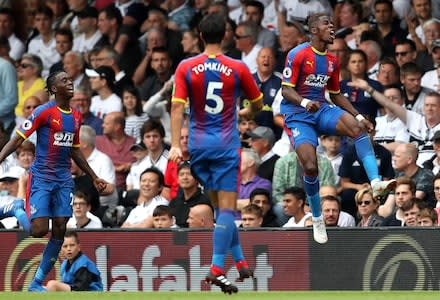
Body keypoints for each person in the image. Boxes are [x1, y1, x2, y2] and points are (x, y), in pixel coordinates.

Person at [0, 71, 109, 292]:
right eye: (63, 81)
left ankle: (35, 283)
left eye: (70, 79)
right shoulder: (43, 112)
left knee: (61, 229)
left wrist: (94, 176)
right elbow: (17, 138)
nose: (69, 82)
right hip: (42, 177)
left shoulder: (77, 116)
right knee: (38, 231)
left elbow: (74, 150)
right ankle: (17, 209)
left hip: (63, 179)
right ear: (53, 89)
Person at [280, 13, 395, 244]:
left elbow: (335, 95)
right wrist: (303, 102)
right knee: (311, 167)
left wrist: (360, 116)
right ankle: (318, 217)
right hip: (297, 114)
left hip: (320, 109)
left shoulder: (332, 60)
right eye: (326, 25)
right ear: (313, 30)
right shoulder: (298, 54)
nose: (332, 28)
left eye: (333, 24)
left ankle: (375, 182)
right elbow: (286, 90)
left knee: (358, 129)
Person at [169, 13, 263, 293]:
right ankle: (217, 267)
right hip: (224, 145)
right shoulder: (238, 66)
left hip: (197, 147)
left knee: (219, 206)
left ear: (199, 36)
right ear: (225, 35)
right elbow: (258, 103)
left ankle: (241, 260)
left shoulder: (186, 66)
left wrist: (175, 143)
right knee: (227, 209)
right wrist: (244, 111)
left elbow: (176, 108)